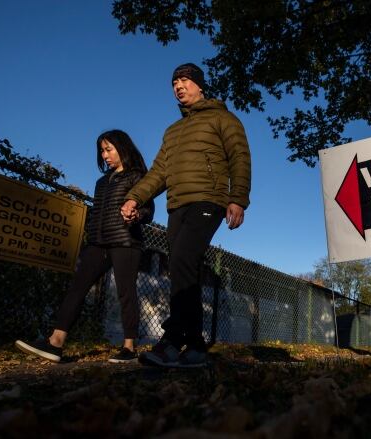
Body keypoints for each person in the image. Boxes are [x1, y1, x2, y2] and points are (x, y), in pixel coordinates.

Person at [121, 62, 251, 368]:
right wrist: (135, 196)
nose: (179, 86)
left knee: (182, 260)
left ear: (199, 85)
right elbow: (158, 172)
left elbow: (240, 158)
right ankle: (195, 346)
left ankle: (171, 340)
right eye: (174, 83)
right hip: (176, 205)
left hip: (209, 199)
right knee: (183, 269)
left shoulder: (223, 118)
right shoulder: (173, 131)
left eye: (184, 80)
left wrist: (238, 199)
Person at [16, 129, 152, 363]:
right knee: (78, 287)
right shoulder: (102, 182)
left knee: (125, 292)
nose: (105, 155)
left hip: (125, 241)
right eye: (102, 150)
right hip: (98, 242)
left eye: (109, 149)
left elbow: (148, 211)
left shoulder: (137, 176)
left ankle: (129, 347)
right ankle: (55, 342)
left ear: (123, 148)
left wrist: (136, 215)